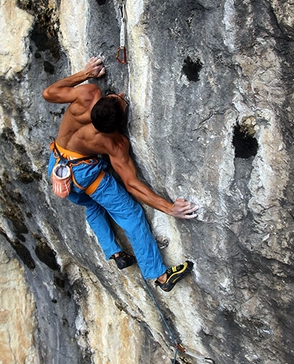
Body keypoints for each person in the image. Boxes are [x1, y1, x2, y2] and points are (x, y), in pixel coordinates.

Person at [42, 56, 199, 292]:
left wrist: (85, 73)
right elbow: (131, 184)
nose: (122, 97)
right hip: (86, 176)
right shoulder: (114, 144)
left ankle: (114, 252)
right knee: (131, 214)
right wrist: (169, 208)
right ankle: (160, 275)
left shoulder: (86, 94)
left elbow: (49, 93)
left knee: (93, 205)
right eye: (120, 100)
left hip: (56, 166)